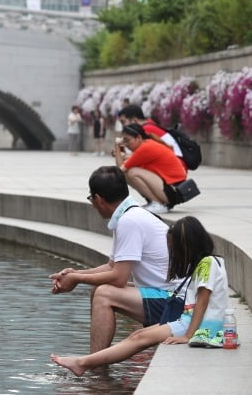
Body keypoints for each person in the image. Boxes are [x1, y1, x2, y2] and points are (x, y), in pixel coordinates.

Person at [51, 216, 229, 375]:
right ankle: (87, 363)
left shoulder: (207, 264)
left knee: (139, 338)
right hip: (187, 320)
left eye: (176, 249)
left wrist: (187, 336)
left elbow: (202, 303)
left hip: (195, 325)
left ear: (188, 245)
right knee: (138, 334)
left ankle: (82, 363)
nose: (175, 255)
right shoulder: (209, 262)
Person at [50, 166, 177, 354]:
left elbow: (118, 278)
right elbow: (112, 266)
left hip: (175, 301)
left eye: (91, 198)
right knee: (99, 290)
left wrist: (77, 280)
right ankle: (96, 360)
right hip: (165, 293)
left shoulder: (130, 221)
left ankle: (95, 368)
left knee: (104, 294)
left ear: (98, 199)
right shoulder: (130, 215)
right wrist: (74, 274)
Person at [115, 123, 187, 214]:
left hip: (174, 190)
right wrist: (118, 148)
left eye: (128, 140)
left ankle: (157, 204)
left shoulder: (145, 148)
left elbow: (120, 171)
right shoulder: (146, 145)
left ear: (139, 138)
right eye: (124, 141)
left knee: (132, 172)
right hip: (170, 190)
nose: (126, 144)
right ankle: (155, 202)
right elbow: (122, 170)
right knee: (128, 173)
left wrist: (117, 145)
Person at [117, 104, 186, 169]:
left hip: (176, 164)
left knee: (133, 170)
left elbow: (142, 154)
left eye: (123, 122)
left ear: (134, 120)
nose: (123, 126)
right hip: (176, 163)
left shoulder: (146, 129)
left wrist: (124, 156)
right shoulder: (149, 125)